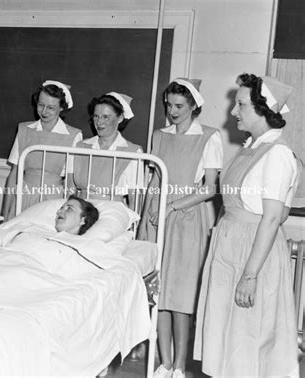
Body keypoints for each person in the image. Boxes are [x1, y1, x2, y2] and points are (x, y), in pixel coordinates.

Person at [194, 74, 300, 376]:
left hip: (253, 255)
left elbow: (271, 218)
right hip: (230, 246)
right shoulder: (251, 147)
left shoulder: (277, 154)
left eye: (241, 104)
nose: (233, 111)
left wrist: (250, 276)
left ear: (262, 108)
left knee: (248, 340)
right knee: (226, 338)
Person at [137, 78, 223, 378]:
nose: (172, 111)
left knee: (182, 296)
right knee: (159, 293)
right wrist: (147, 214)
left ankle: (180, 366)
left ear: (194, 106)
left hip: (188, 217)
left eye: (179, 106)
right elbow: (154, 180)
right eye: (169, 105)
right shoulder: (159, 136)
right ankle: (164, 361)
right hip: (157, 217)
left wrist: (172, 207)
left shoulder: (209, 137)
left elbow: (210, 188)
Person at [1, 80, 83, 220]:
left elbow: (71, 182)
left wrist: (66, 214)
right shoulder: (24, 130)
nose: (44, 111)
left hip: (53, 201)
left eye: (51, 107)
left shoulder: (73, 135)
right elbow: (14, 174)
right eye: (41, 105)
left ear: (61, 108)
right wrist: (5, 213)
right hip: (23, 197)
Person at [68, 92, 143, 210]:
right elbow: (70, 187)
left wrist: (133, 226)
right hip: (81, 211)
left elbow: (135, 198)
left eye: (105, 117)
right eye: (96, 116)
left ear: (120, 118)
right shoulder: (80, 146)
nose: (99, 122)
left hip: (112, 212)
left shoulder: (132, 152)